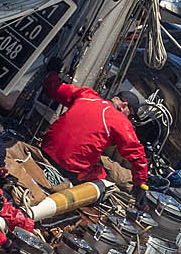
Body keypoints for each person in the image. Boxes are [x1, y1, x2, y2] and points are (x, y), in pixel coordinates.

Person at [40, 71, 150, 200]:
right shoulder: (121, 122)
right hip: (71, 170)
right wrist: (140, 184)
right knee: (103, 176)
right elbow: (138, 157)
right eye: (130, 114)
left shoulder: (86, 95)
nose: (129, 118)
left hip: (45, 151)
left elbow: (53, 88)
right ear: (124, 106)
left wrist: (53, 71)